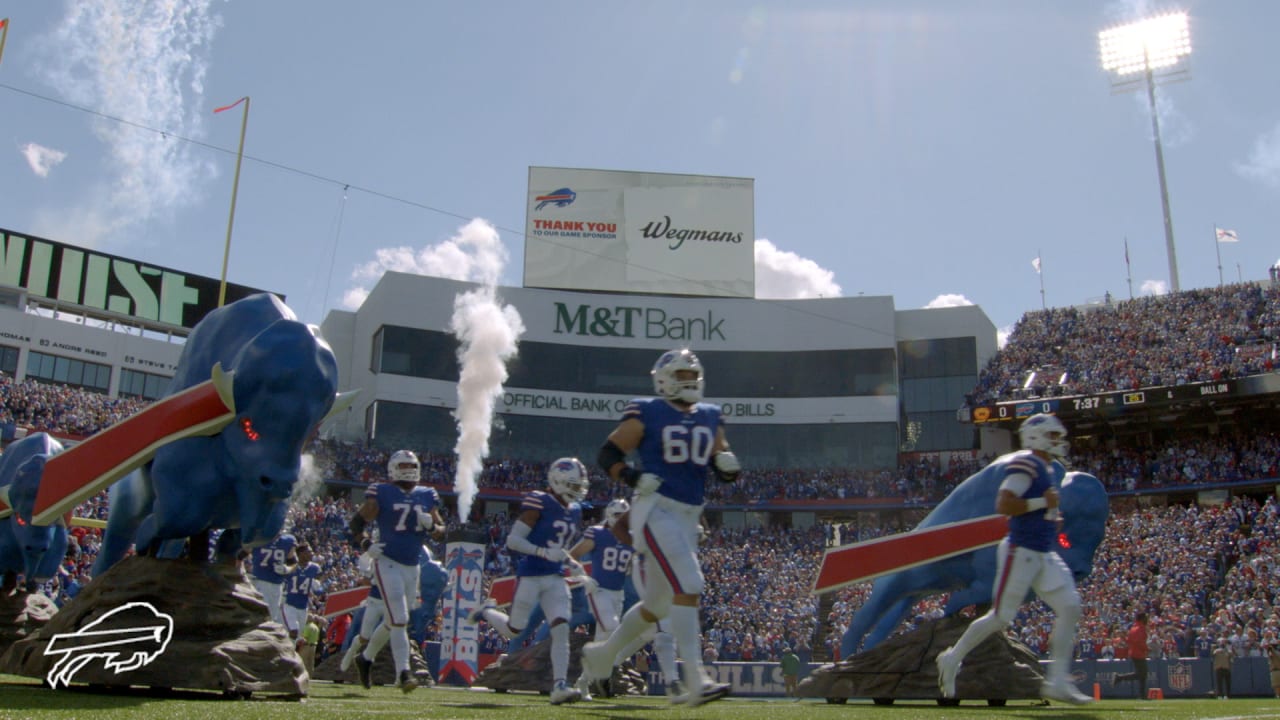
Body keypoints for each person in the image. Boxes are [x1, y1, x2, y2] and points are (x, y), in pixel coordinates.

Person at [581, 348, 738, 707]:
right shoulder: (648, 411)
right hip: (655, 509)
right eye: (682, 375)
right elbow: (608, 453)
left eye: (692, 375)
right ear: (664, 379)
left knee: (657, 604)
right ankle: (696, 679)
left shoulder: (711, 415)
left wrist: (728, 467)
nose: (689, 381)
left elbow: (721, 462)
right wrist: (633, 476)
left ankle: (604, 655)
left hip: (688, 516)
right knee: (691, 583)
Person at [935, 413, 1092, 705]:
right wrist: (1043, 503)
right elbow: (1004, 503)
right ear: (1037, 436)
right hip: (1020, 551)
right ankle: (952, 658)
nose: (1059, 441)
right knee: (1000, 617)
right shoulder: (1027, 464)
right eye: (1053, 436)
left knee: (1070, 607)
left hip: (1042, 552)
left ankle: (1057, 681)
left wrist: (1049, 517)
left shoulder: (1043, 467)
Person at [468, 457, 589, 705]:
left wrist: (571, 564)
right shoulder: (539, 501)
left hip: (555, 577)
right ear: (558, 480)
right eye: (574, 485)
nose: (578, 491)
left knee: (561, 628)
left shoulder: (574, 510)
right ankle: (488, 611)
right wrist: (544, 553)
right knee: (515, 629)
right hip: (532, 574)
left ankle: (559, 685)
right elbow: (513, 541)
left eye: (579, 486)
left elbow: (558, 547)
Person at [351, 449, 445, 694]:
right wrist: (365, 544)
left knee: (395, 619)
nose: (407, 470)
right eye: (403, 466)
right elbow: (356, 523)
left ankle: (366, 658)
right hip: (387, 561)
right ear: (393, 468)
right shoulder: (381, 492)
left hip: (412, 566)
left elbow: (440, 531)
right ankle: (404, 673)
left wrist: (432, 525)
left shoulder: (426, 494)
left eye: (411, 465)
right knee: (400, 619)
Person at [248, 532, 297, 625]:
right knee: (258, 615)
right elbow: (241, 554)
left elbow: (294, 564)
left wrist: (287, 569)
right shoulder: (258, 537)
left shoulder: (287, 540)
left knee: (271, 618)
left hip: (276, 585)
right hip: (258, 581)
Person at [281, 543, 322, 645]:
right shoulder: (292, 567)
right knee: (293, 631)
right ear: (301, 554)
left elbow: (319, 585)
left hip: (303, 607)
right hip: (289, 605)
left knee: (298, 636)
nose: (312, 554)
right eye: (309, 552)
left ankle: (290, 654)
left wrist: (317, 586)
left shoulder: (315, 568)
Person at [1115, 612, 1149, 699]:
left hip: (1134, 652)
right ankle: (1119, 677)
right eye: (1145, 618)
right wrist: (1146, 649)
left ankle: (1142, 695)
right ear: (1142, 619)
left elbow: (1129, 640)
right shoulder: (1139, 628)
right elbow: (1139, 642)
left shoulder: (1133, 628)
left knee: (1142, 674)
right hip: (1138, 653)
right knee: (1141, 674)